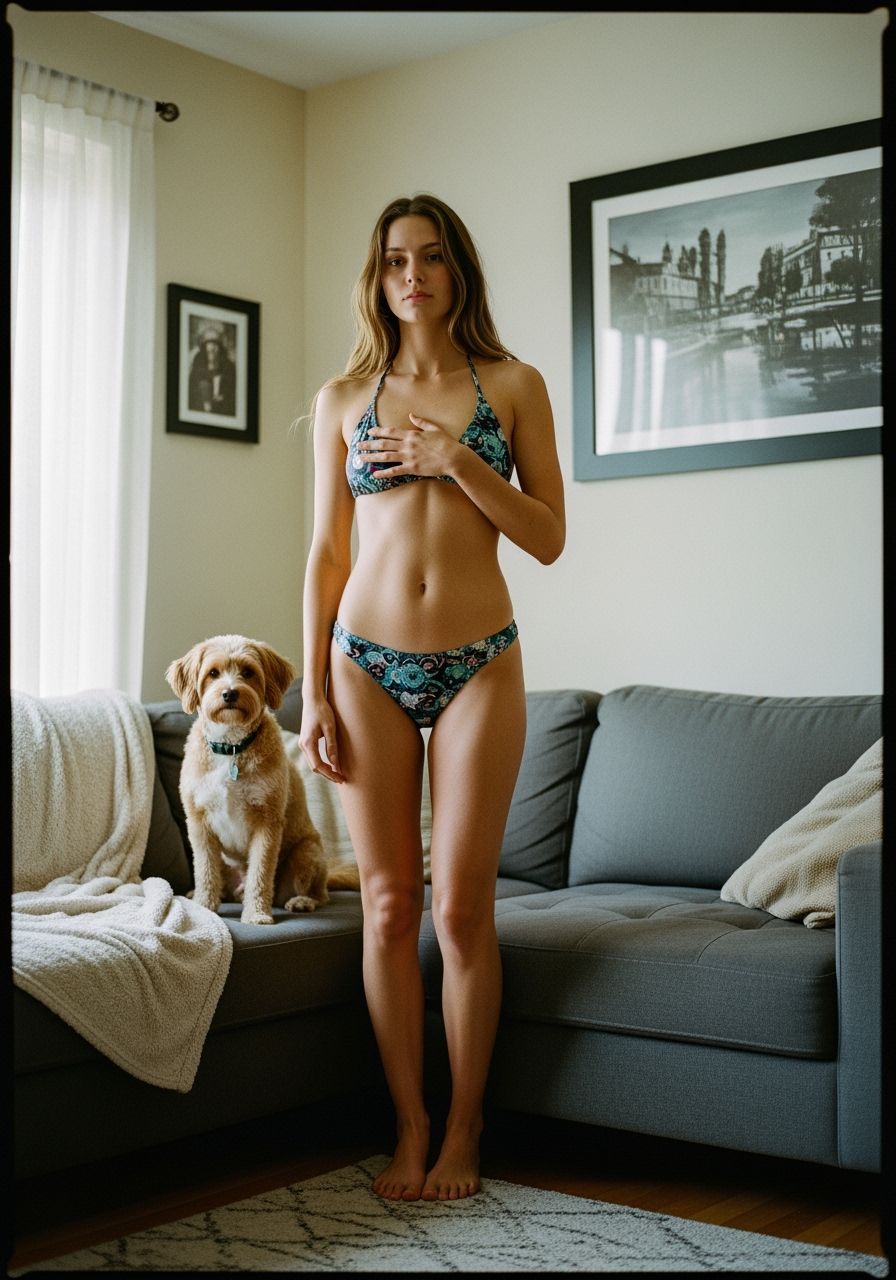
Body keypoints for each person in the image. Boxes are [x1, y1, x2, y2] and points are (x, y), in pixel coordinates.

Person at [299, 193, 565, 1203]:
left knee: (457, 909)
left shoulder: (511, 385)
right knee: (383, 905)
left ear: (458, 271)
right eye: (393, 260)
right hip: (362, 660)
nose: (411, 274)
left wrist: (452, 459)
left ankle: (465, 1126)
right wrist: (316, 688)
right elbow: (327, 555)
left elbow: (544, 536)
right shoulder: (341, 399)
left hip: (478, 661)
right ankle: (406, 1127)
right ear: (376, 278)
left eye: (431, 257)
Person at [188, 322, 236, 416]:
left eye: (215, 344)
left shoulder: (228, 366)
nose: (212, 348)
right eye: (208, 344)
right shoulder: (198, 362)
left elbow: (232, 393)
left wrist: (223, 397)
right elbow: (192, 391)